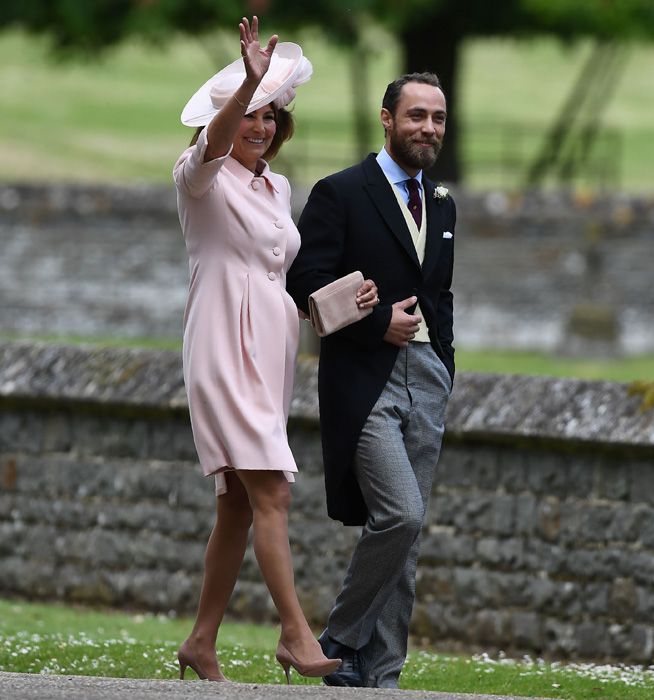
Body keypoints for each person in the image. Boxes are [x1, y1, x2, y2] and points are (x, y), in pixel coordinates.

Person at [172, 17, 371, 684]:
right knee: (273, 494)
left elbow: (277, 272)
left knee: (237, 501)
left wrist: (338, 304)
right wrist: (248, 83)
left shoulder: (278, 188)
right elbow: (214, 147)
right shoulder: (199, 175)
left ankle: (201, 642)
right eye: (249, 115)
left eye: (269, 116)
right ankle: (294, 634)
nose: (259, 126)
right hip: (222, 347)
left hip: (271, 351)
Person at [286, 72, 456, 688]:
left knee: (405, 545)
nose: (427, 129)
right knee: (401, 516)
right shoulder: (340, 192)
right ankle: (339, 637)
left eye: (437, 118)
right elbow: (302, 282)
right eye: (416, 116)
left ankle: (380, 677)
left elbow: (442, 296)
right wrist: (375, 320)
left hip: (428, 380)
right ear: (387, 120)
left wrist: (446, 364)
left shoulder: (442, 204)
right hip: (365, 383)